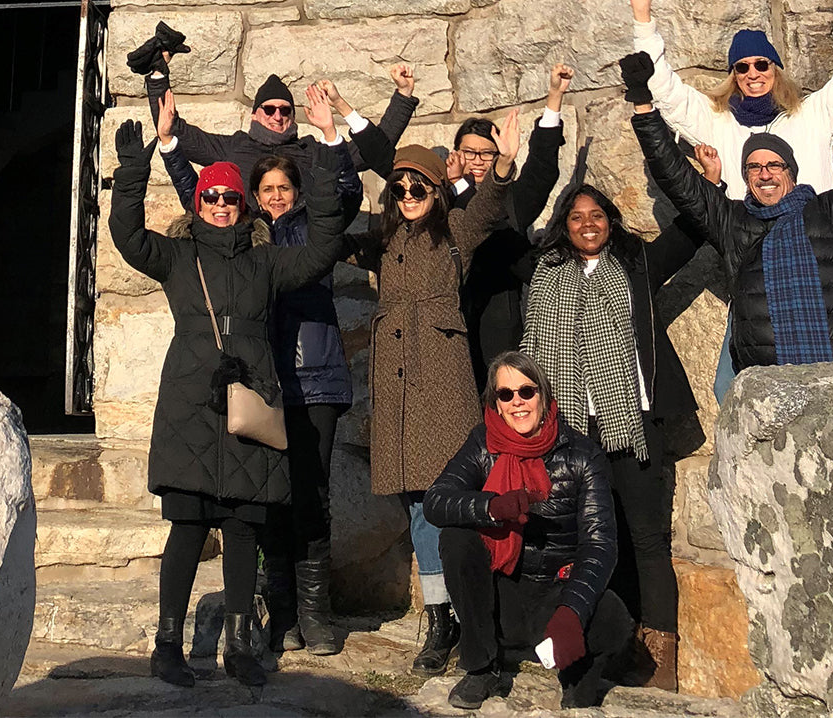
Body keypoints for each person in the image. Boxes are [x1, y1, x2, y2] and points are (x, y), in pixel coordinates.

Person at [106, 120, 349, 688]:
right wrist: (132, 173)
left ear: (244, 207)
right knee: (188, 527)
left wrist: (317, 174)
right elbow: (125, 235)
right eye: (211, 196)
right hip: (192, 403)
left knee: (243, 526)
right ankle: (168, 646)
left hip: (250, 401)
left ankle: (240, 645)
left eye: (229, 197)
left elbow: (323, 248)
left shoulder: (266, 263)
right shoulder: (176, 257)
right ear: (198, 203)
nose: (220, 204)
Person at [626, 0, 833, 401]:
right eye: (741, 66)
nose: (752, 72)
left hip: (814, 267)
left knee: (829, 387)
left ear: (776, 68)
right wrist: (642, 17)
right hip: (756, 274)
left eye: (761, 63)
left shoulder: (813, 115)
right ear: (733, 74)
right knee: (732, 389)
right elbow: (664, 91)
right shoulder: (717, 122)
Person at [164, 86, 360, 657]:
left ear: (295, 193)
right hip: (262, 382)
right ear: (253, 197)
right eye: (266, 189)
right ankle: (281, 615)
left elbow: (343, 194)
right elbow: (197, 197)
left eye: (284, 188)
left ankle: (316, 613)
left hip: (314, 376)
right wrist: (172, 144)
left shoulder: (309, 234)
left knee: (312, 495)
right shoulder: (239, 243)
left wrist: (328, 136)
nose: (275, 197)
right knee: (267, 496)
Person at [343, 109, 526, 677]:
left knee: (447, 501)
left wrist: (504, 164)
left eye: (417, 184)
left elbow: (492, 203)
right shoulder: (384, 239)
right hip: (396, 392)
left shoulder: (456, 232)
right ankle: (442, 617)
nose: (407, 193)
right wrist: (332, 143)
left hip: (440, 387)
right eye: (398, 187)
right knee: (419, 503)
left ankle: (469, 614)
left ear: (436, 187)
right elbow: (329, 227)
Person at [519, 183, 706, 690]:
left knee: (646, 539)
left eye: (597, 215)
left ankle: (656, 659)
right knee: (588, 541)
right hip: (571, 434)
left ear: (611, 220)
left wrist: (708, 179)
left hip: (632, 424)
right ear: (564, 223)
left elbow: (692, 228)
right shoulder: (544, 276)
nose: (587, 223)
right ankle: (605, 645)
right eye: (577, 216)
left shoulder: (636, 264)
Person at [627, 45, 833, 374]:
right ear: (746, 178)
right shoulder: (734, 224)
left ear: (790, 171)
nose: (765, 174)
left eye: (774, 165)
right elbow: (674, 176)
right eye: (753, 168)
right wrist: (642, 104)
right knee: (726, 390)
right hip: (766, 384)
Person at [423, 351, 634, 711]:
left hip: (555, 591)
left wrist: (572, 610)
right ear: (496, 403)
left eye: (527, 391)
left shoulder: (582, 455)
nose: (517, 402)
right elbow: (435, 501)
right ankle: (481, 667)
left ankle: (575, 670)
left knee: (613, 620)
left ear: (544, 395)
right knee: (456, 537)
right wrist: (490, 507)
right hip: (502, 592)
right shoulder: (482, 443)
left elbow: (600, 545)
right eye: (506, 394)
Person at [135, 23, 415, 195]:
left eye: (285, 111)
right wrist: (159, 76)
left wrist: (403, 95)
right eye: (269, 110)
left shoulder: (311, 152)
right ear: (255, 114)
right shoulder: (233, 148)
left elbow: (375, 148)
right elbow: (174, 130)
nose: (277, 116)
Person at [448, 66, 571, 389]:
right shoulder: (436, 200)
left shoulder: (511, 200)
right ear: (455, 154)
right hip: (449, 328)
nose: (477, 160)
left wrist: (554, 99)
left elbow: (542, 171)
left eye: (486, 153)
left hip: (499, 330)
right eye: (469, 152)